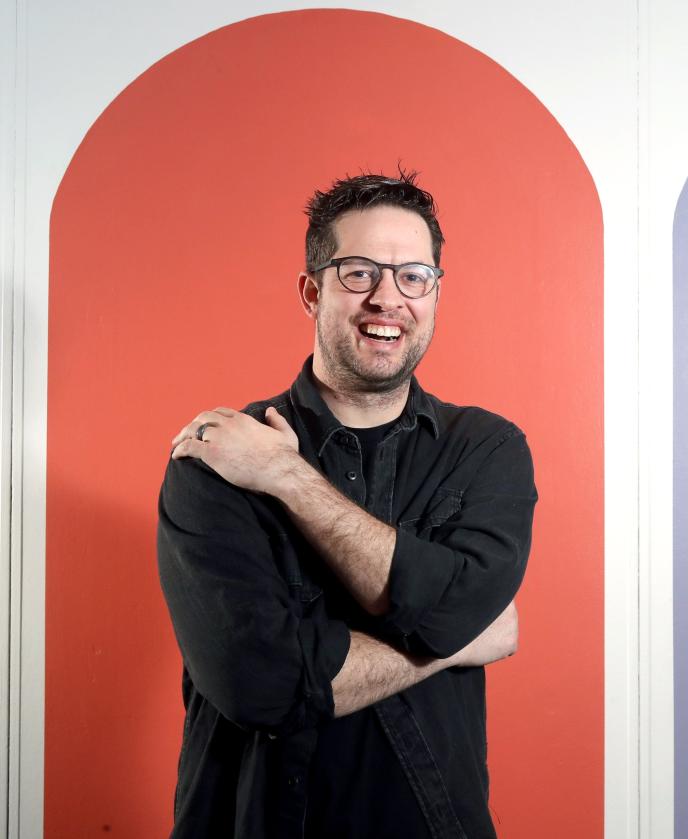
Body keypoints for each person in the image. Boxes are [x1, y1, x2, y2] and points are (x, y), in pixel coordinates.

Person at [157, 170, 536, 839]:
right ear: (312, 290)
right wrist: (450, 645)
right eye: (359, 272)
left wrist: (286, 478)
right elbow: (261, 686)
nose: (387, 298)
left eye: (414, 275)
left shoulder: (486, 448)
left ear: (436, 293)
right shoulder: (218, 458)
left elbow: (448, 610)